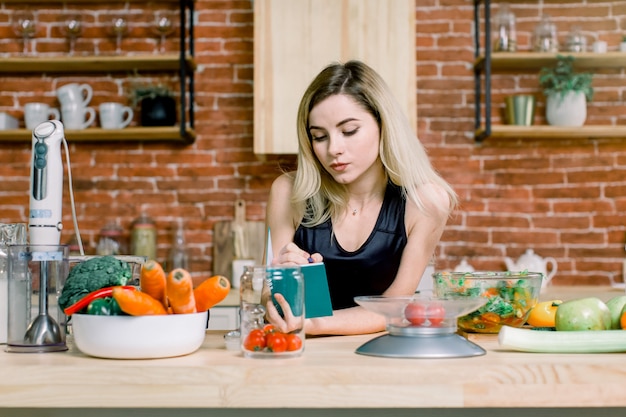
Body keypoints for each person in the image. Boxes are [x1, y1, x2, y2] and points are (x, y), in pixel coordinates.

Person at [264, 60, 457, 336]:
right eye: (319, 136)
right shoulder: (288, 192)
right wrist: (279, 286)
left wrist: (312, 323)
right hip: (301, 354)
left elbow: (396, 306)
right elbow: (267, 294)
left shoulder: (427, 202)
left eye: (349, 131)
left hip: (381, 357)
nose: (334, 149)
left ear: (383, 125)